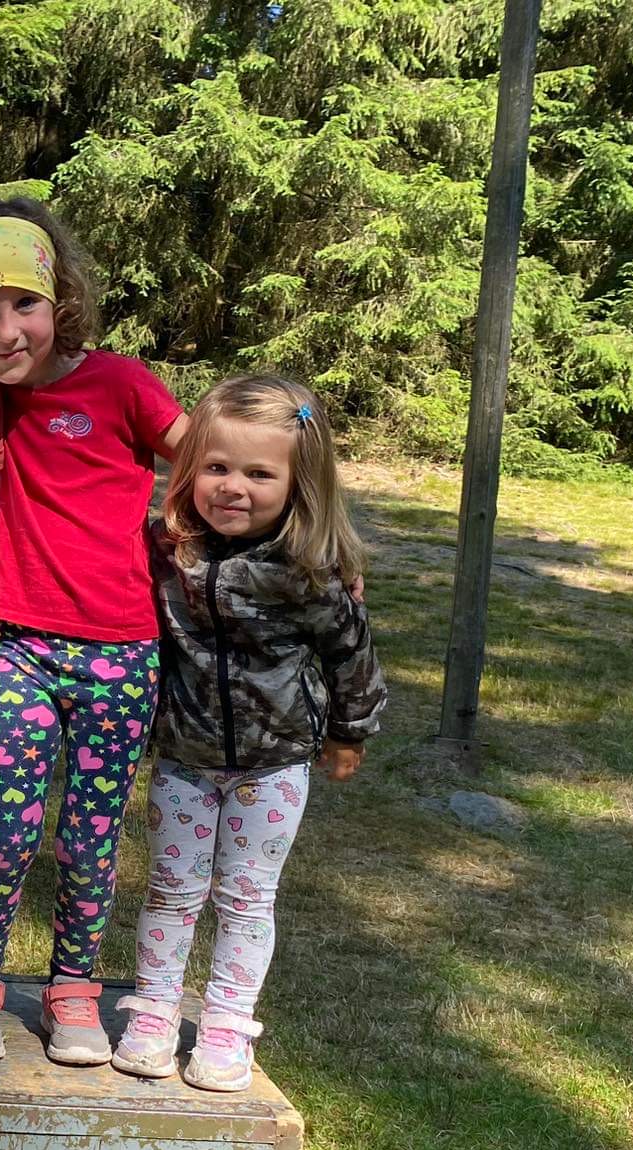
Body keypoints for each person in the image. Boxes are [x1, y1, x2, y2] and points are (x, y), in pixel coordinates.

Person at [0, 200, 188, 1066]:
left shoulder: (121, 383)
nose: (7, 331)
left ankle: (74, 989)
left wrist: (193, 529)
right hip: (27, 651)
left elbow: (203, 456)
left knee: (90, 838)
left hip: (125, 653)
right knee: (6, 829)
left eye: (24, 304)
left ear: (60, 300)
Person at [114, 374, 386, 1091]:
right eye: (217, 467)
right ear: (189, 468)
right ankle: (154, 1013)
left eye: (260, 474)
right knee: (171, 891)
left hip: (275, 766)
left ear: (299, 484)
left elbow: (352, 656)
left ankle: (228, 1026)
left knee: (246, 898)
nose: (233, 487)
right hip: (184, 757)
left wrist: (350, 732)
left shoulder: (309, 571)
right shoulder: (167, 550)